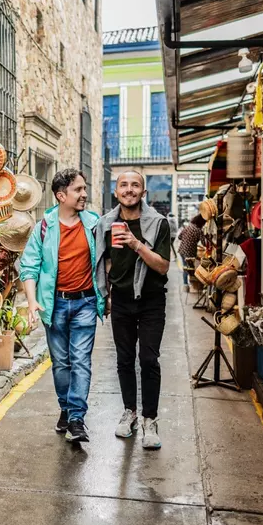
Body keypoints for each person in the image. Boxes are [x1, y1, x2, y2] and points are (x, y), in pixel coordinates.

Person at [20, 168, 105, 443]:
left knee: (80, 361)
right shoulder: (44, 227)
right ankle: (66, 409)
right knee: (61, 363)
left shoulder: (93, 223)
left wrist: (108, 293)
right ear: (61, 195)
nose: (84, 194)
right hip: (54, 304)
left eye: (84, 188)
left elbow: (107, 261)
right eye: (78, 190)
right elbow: (29, 266)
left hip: (86, 303)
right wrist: (32, 301)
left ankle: (77, 418)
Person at [93, 170, 170, 449]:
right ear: (116, 193)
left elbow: (162, 266)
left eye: (135, 185)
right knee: (124, 359)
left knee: (148, 359)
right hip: (122, 301)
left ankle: (150, 418)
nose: (129, 190)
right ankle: (130, 412)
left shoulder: (158, 224)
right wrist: (109, 294)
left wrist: (136, 244)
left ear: (143, 192)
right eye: (123, 185)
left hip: (151, 300)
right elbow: (107, 262)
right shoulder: (106, 224)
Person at [177, 214, 206, 289]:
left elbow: (179, 237)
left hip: (182, 250)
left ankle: (185, 285)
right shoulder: (199, 230)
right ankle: (189, 285)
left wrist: (187, 239)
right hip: (190, 252)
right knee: (189, 268)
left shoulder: (188, 227)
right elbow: (204, 243)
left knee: (185, 267)